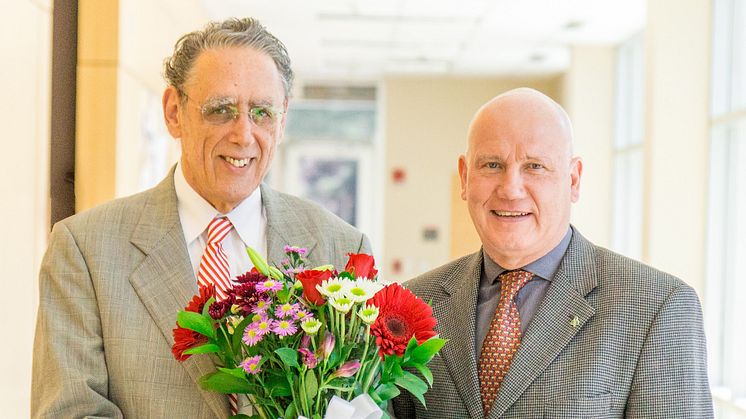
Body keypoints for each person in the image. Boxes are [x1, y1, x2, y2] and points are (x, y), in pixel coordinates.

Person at [31, 18, 371, 418]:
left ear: (282, 121)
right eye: (221, 110)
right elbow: (70, 411)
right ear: (174, 112)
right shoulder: (85, 250)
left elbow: (362, 401)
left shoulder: (342, 250)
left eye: (262, 112)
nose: (244, 135)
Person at [392, 88, 713, 418]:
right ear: (465, 176)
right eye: (492, 165)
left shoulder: (656, 307)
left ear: (573, 180)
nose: (511, 189)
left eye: (534, 166)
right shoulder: (414, 304)